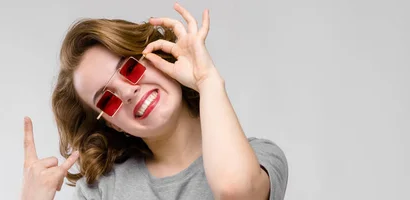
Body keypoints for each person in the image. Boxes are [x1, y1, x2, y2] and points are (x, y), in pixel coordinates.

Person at [21, 3, 288, 200]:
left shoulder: (259, 157)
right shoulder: (102, 189)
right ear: (114, 125)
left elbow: (236, 191)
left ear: (157, 56)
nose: (127, 93)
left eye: (130, 68)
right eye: (107, 100)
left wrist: (206, 80)